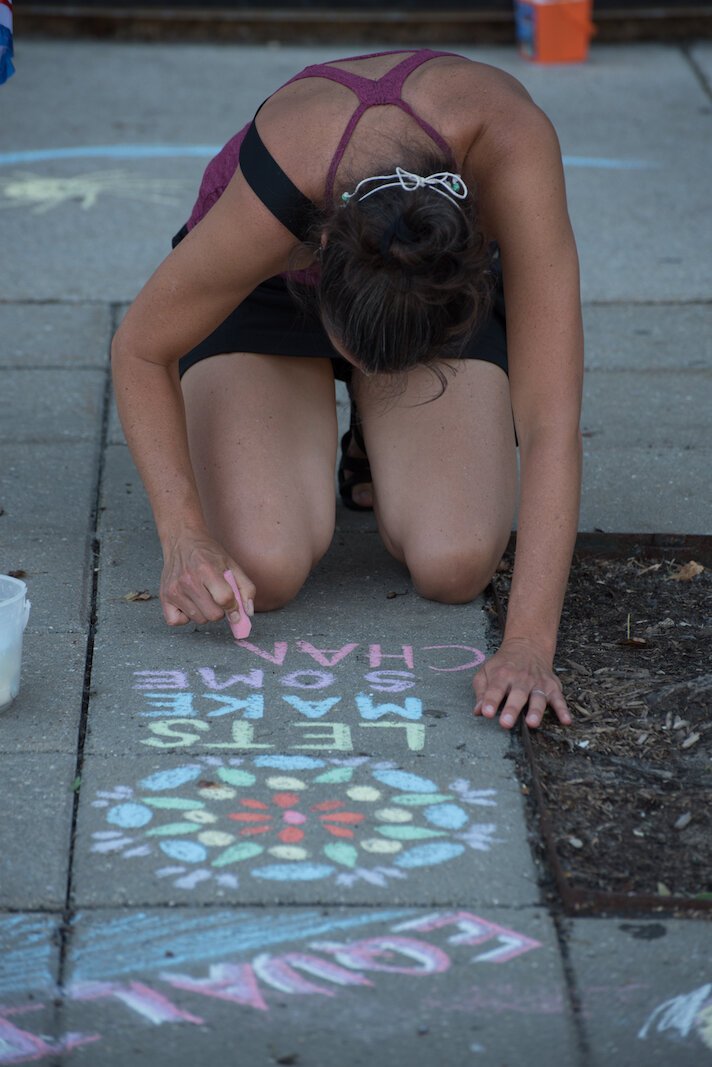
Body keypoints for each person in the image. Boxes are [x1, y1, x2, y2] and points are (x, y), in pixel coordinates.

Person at [111, 48, 582, 733]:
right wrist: (182, 535)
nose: (391, 379)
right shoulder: (280, 193)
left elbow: (550, 419)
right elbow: (138, 348)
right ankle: (304, 412)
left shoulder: (510, 141)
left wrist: (529, 645)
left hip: (428, 277)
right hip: (269, 290)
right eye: (372, 364)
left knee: (457, 561)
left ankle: (376, 440)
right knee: (260, 568)